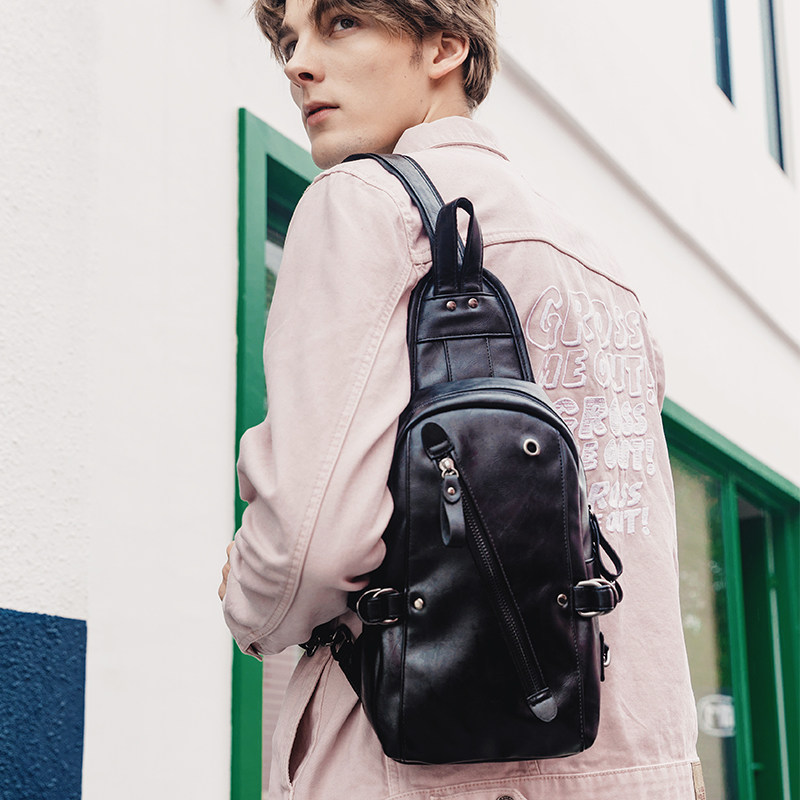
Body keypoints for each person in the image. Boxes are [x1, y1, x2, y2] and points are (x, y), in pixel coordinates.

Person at [220, 0, 702, 797]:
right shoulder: (602, 269)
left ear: (444, 47)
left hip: (429, 761)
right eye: (289, 38)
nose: (297, 64)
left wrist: (249, 601)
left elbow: (312, 543)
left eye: (340, 23)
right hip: (636, 766)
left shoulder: (365, 203)